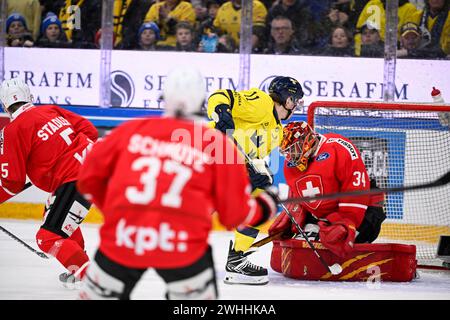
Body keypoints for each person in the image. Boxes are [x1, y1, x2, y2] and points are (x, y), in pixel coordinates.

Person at [76, 67, 279, 300]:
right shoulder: (219, 147)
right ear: (202, 102)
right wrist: (266, 205)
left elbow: (88, 179)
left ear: (164, 98)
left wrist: (117, 212)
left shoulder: (130, 130)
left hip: (124, 239)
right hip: (182, 246)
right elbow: (234, 215)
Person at [207, 76, 304, 285]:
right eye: (295, 100)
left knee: (260, 196)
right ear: (287, 99)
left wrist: (263, 174)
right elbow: (220, 96)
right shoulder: (261, 102)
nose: (295, 106)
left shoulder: (277, 131)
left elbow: (255, 158)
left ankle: (237, 259)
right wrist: (223, 113)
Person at [0, 78, 98, 285]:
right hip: (93, 168)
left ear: (5, 106)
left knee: (48, 238)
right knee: (52, 215)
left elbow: (13, 181)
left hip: (75, 179)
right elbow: (91, 131)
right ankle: (79, 264)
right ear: (30, 97)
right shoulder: (50, 109)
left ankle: (94, 282)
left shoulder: (12, 130)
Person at [268, 121, 386, 259]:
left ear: (307, 141)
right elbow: (301, 197)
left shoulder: (338, 147)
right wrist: (292, 215)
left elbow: (356, 189)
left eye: (293, 148)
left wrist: (347, 222)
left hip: (363, 210)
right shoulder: (291, 166)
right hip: (326, 217)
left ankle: (354, 235)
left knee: (338, 242)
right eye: (286, 152)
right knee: (305, 250)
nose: (290, 156)